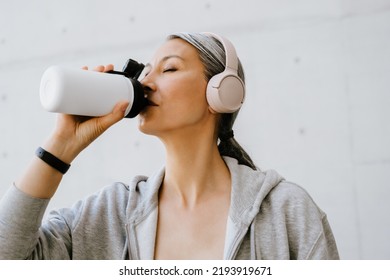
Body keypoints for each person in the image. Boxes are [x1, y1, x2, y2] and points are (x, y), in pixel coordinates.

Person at [0, 32, 339, 260]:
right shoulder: (109, 214)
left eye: (170, 68)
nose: (145, 82)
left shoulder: (285, 211)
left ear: (221, 93)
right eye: (146, 71)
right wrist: (60, 146)